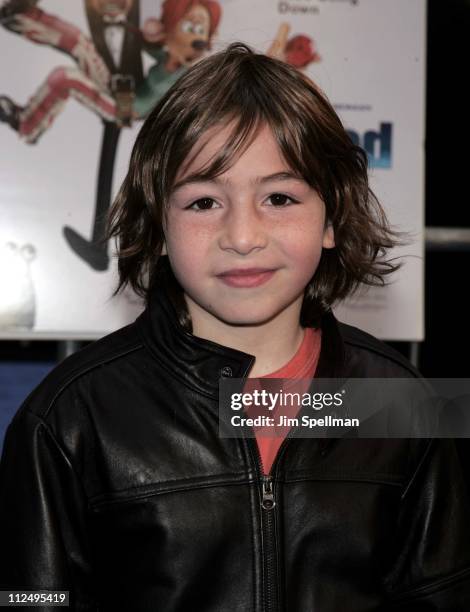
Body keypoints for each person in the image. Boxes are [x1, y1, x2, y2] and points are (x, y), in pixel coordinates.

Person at [1, 42, 469, 611]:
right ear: (159, 223)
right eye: (203, 202)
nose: (243, 236)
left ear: (332, 219)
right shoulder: (70, 418)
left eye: (279, 197)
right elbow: (29, 598)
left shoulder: (402, 403)